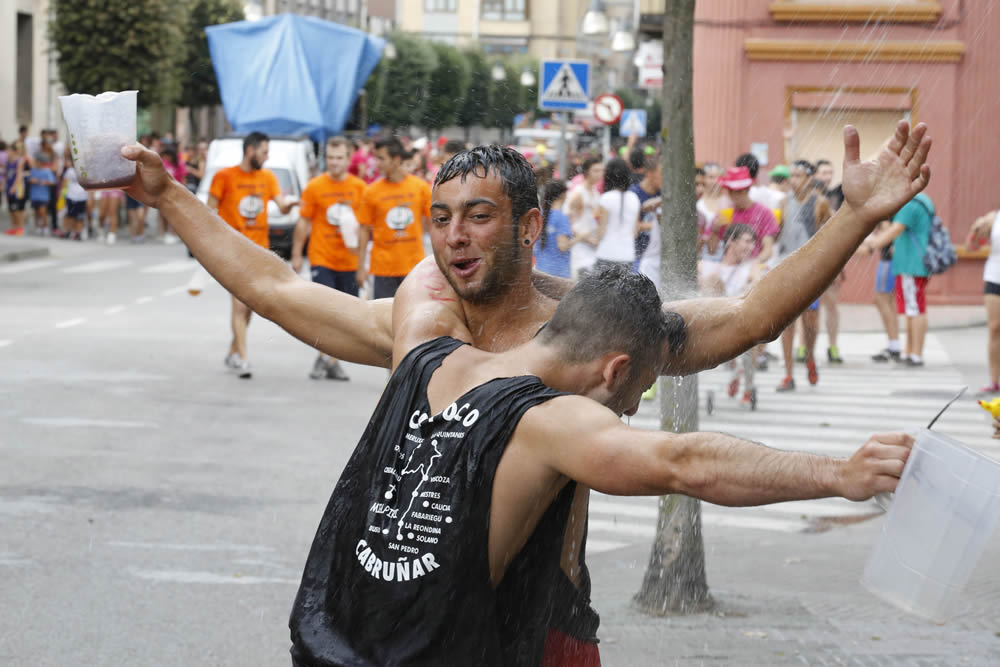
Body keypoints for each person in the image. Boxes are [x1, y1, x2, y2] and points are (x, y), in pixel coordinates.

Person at [115, 119, 932, 662]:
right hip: (408, 623)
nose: (453, 238)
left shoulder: (587, 328)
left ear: (530, 225)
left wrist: (851, 219)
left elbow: (749, 317)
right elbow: (279, 291)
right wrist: (171, 198)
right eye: (441, 218)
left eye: (477, 217)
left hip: (542, 622)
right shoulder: (423, 325)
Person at [286, 266, 914, 667]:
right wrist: (840, 474)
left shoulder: (427, 352)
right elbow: (686, 462)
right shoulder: (550, 421)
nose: (633, 407)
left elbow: (275, 286)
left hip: (328, 646)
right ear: (615, 369)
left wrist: (179, 201)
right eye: (638, 389)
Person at [207, 131, 297, 379]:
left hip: (260, 252)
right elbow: (209, 212)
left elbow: (280, 205)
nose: (266, 158)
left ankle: (233, 351)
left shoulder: (267, 177)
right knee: (239, 304)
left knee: (249, 307)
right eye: (264, 152)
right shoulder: (224, 177)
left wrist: (291, 204)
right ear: (251, 150)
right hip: (233, 252)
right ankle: (243, 359)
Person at [291, 137, 367, 381]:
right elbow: (304, 220)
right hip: (321, 257)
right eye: (331, 158)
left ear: (348, 159)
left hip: (349, 260)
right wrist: (296, 254)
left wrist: (364, 259)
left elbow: (366, 225)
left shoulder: (360, 188)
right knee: (324, 312)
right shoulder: (315, 187)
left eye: (339, 158)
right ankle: (326, 358)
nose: (334, 163)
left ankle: (329, 360)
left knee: (344, 316)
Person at [775, 160, 832, 392]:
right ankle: (788, 373)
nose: (794, 180)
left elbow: (830, 235)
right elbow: (776, 233)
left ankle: (809, 356)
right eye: (792, 176)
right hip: (786, 267)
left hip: (811, 270)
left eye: (799, 175)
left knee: (810, 321)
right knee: (786, 322)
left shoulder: (820, 203)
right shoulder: (782, 203)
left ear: (809, 178)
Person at [860, 191, 934, 367]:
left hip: (912, 264)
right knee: (912, 308)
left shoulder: (910, 204)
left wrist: (869, 247)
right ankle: (910, 351)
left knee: (915, 309)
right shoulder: (923, 200)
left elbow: (895, 230)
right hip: (913, 263)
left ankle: (915, 355)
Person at [355, 137, 432, 300]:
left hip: (414, 268)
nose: (376, 163)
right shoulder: (371, 191)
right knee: (384, 321)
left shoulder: (420, 188)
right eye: (375, 158)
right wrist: (360, 267)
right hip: (383, 270)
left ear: (396, 160)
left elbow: (434, 224)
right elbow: (363, 229)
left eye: (381, 158)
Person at [699, 224, 762, 406]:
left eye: (753, 243)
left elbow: (756, 282)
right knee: (712, 280)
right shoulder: (709, 265)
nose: (750, 247)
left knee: (752, 343)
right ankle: (733, 370)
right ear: (731, 242)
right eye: (747, 242)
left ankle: (748, 387)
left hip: (743, 317)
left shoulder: (752, 267)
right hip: (718, 319)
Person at [712, 166, 780, 265]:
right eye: (731, 191)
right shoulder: (725, 214)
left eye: (739, 191)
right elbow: (712, 250)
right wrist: (715, 231)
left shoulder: (764, 213)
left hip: (753, 270)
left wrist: (752, 264)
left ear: (748, 190)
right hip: (729, 269)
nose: (734, 196)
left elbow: (768, 250)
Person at [966, 209, 1000, 395]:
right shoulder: (993, 218)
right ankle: (994, 380)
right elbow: (972, 247)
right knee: (995, 328)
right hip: (995, 277)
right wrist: (976, 229)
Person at [594, 158, 639, 271]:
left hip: (606, 253)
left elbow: (601, 231)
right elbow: (635, 232)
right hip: (627, 255)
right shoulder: (634, 198)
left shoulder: (606, 198)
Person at [564, 157, 603, 278]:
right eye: (596, 171)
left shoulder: (596, 192)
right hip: (580, 248)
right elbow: (567, 220)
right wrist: (586, 238)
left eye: (601, 171)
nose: (599, 174)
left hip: (594, 247)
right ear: (586, 172)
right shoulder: (578, 193)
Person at [869, 220, 901, 363]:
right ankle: (894, 344)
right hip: (890, 263)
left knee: (882, 301)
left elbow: (886, 240)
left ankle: (893, 344)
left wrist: (870, 242)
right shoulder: (892, 217)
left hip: (887, 263)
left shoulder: (887, 220)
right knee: (889, 303)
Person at [533, 180, 573, 279]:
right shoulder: (561, 217)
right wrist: (581, 237)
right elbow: (563, 246)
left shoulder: (539, 215)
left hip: (540, 269)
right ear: (563, 195)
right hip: (558, 273)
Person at [629, 152, 662, 271]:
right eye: (662, 174)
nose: (665, 178)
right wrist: (656, 226)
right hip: (637, 255)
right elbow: (634, 226)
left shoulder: (662, 193)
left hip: (658, 256)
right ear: (649, 174)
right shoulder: (634, 194)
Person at [60, 152, 90, 241]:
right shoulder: (70, 171)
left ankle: (78, 232)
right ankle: (68, 230)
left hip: (82, 196)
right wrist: (62, 195)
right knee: (70, 215)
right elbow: (64, 183)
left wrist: (90, 197)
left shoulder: (86, 170)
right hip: (71, 196)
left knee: (79, 216)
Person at [28, 152, 56, 235]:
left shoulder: (47, 171)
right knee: (36, 211)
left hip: (43, 195)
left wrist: (46, 182)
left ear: (39, 162)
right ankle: (38, 227)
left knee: (43, 211)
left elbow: (53, 182)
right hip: (34, 195)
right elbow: (29, 179)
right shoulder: (33, 170)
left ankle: (45, 226)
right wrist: (32, 180)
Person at [4, 139, 28, 236]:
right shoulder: (8, 161)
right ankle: (14, 227)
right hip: (9, 185)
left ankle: (20, 227)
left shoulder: (20, 161)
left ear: (13, 151)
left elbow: (19, 176)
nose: (7, 153)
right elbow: (6, 175)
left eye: (8, 151)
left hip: (18, 187)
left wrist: (14, 187)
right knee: (11, 209)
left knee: (18, 208)